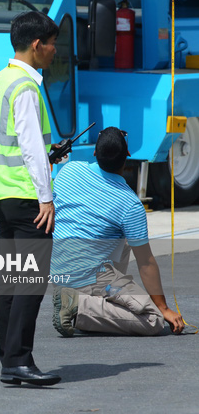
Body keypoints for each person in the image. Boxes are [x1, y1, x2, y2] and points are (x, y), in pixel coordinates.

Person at [0, 11, 61, 386]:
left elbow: (10, 143)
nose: (54, 50)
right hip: (28, 197)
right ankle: (18, 359)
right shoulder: (27, 87)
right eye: (51, 43)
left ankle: (10, 360)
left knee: (12, 279)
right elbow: (29, 149)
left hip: (1, 192)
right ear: (36, 45)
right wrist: (46, 198)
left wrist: (49, 153)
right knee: (31, 280)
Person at [51, 127, 184, 337]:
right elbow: (146, 262)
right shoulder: (129, 203)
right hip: (89, 277)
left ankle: (85, 298)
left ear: (95, 153)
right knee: (153, 319)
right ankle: (79, 306)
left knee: (123, 235)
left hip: (59, 271)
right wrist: (164, 308)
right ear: (127, 157)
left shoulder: (69, 171)